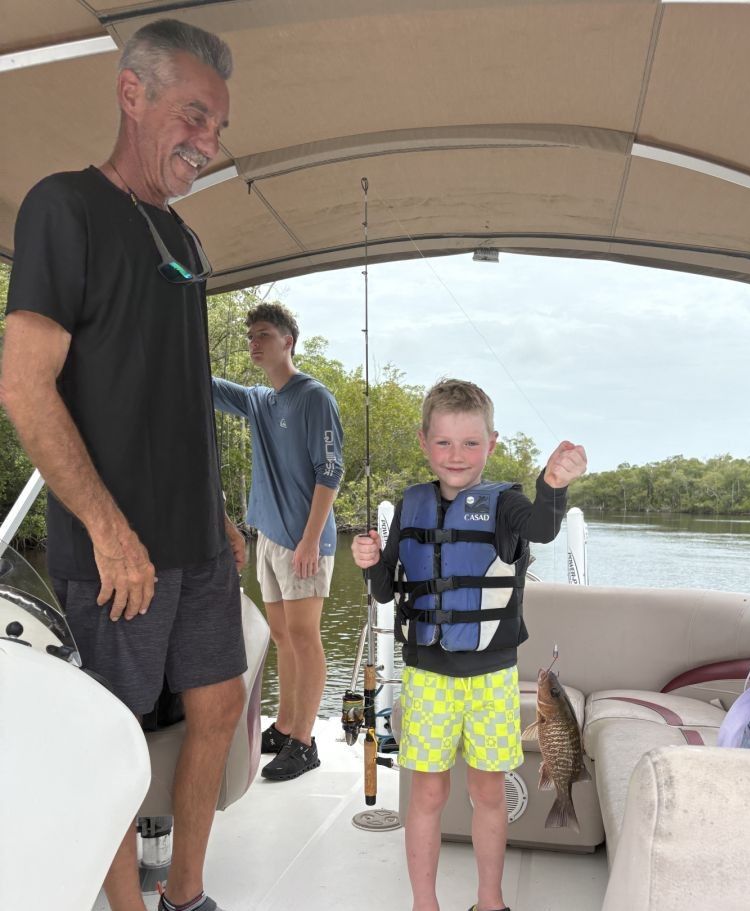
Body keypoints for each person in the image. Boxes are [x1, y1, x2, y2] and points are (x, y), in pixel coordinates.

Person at [0, 20, 246, 911]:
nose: (208, 143)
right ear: (131, 95)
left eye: (218, 126)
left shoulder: (184, 236)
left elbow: (178, 395)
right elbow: (25, 387)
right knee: (113, 734)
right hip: (119, 554)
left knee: (218, 707)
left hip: (199, 545)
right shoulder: (63, 207)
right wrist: (107, 529)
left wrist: (215, 512)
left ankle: (186, 893)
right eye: (193, 116)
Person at [351, 379, 587, 911]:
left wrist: (552, 483)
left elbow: (545, 528)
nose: (456, 456)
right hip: (427, 676)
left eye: (471, 443)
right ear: (423, 442)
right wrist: (369, 564)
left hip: (491, 678)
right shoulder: (411, 506)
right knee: (427, 795)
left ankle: (490, 901)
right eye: (444, 443)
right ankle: (424, 903)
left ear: (493, 444)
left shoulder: (506, 507)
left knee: (486, 793)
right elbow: (387, 590)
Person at [212, 302, 344, 780]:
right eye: (251, 336)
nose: (254, 343)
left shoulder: (314, 397)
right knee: (283, 637)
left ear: (288, 341)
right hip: (268, 538)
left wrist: (310, 542)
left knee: (306, 638)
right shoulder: (259, 401)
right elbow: (203, 387)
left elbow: (332, 471)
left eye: (263, 334)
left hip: (303, 542)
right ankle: (285, 726)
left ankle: (305, 743)